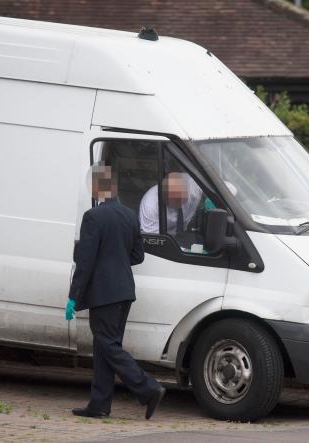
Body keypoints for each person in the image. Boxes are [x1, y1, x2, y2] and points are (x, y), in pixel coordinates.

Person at [65, 162, 165, 420]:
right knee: (106, 346)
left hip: (104, 294)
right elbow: (138, 256)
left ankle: (148, 388)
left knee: (108, 345)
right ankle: (99, 404)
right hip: (124, 291)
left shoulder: (93, 217)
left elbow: (85, 263)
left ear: (96, 188)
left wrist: (73, 296)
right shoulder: (129, 215)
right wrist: (116, 261)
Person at [139, 172, 203, 235]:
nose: (180, 204)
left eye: (182, 199)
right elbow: (154, 241)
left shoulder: (194, 185)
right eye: (175, 201)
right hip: (164, 235)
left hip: (189, 229)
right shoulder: (150, 206)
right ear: (163, 196)